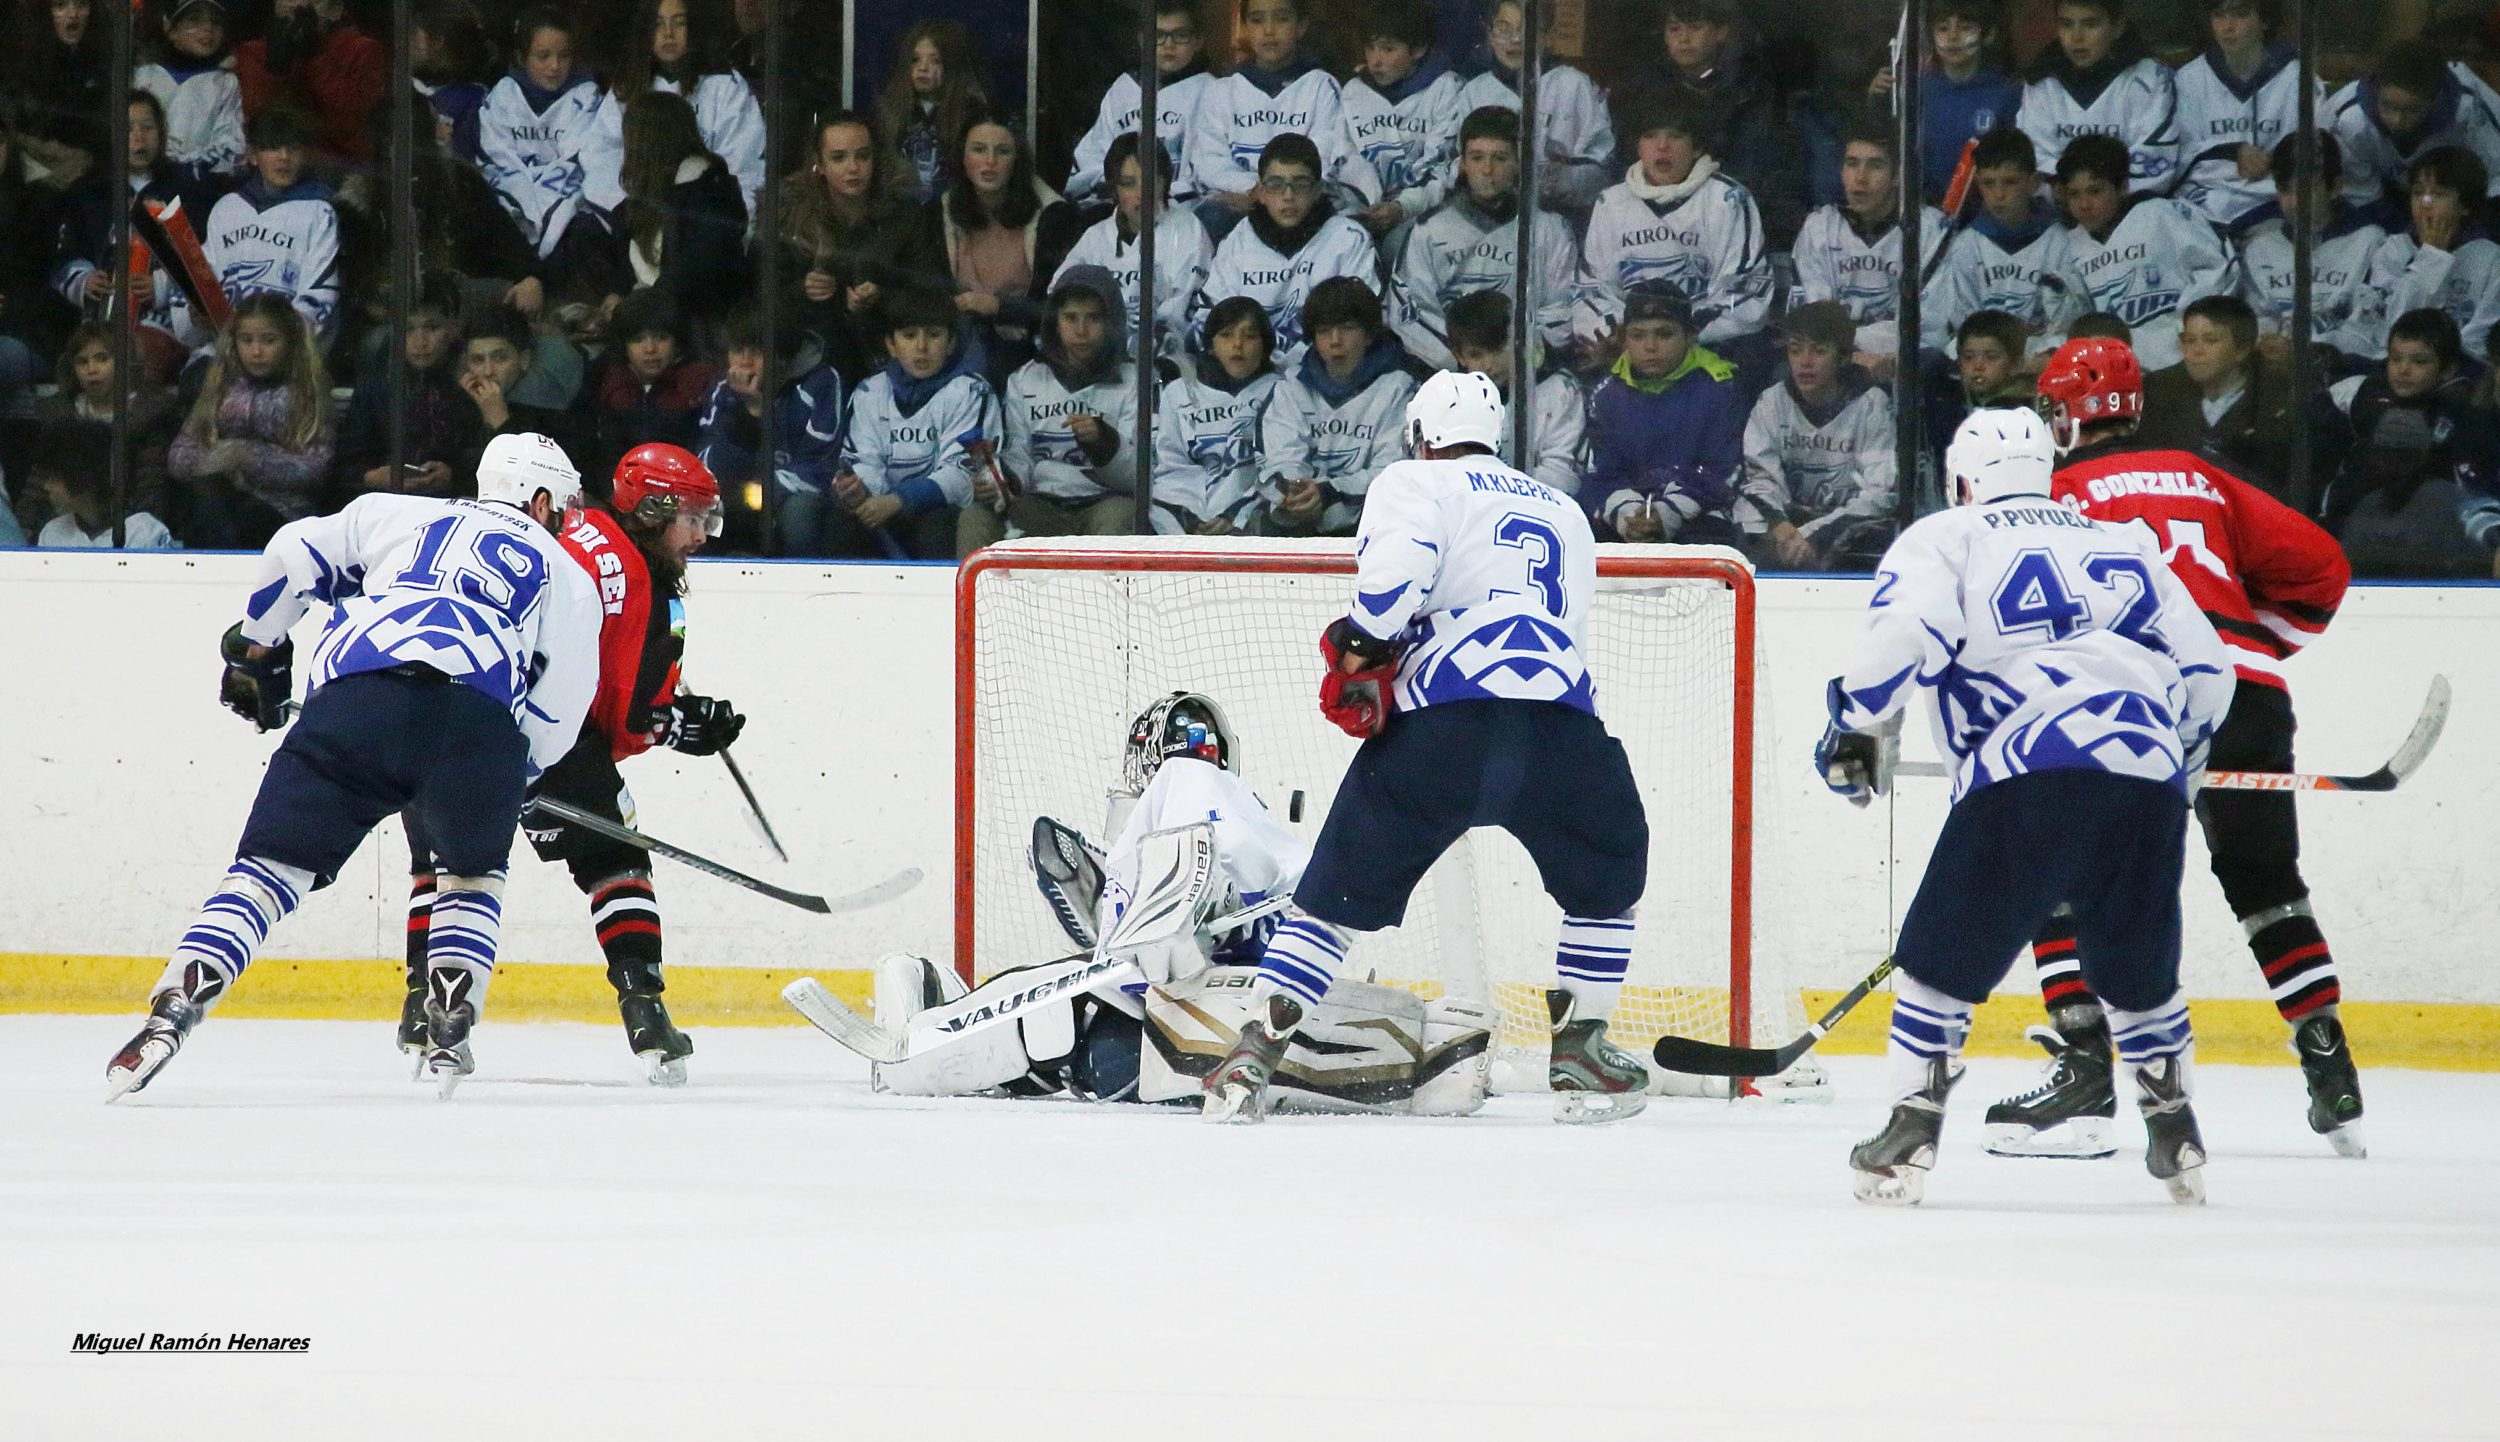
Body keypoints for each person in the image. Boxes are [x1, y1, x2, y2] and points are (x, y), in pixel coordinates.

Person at [1203, 369, 1652, 1125]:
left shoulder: (1413, 481)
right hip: (1561, 729)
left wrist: (1360, 649)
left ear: (1420, 434)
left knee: (1331, 897)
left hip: (1446, 726)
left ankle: (1252, 1054)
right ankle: (1580, 1048)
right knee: (1609, 878)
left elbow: (1388, 592)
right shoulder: (1567, 511)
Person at [106, 431, 600, 1099]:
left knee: (268, 871)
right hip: (476, 724)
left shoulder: (392, 513)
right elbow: (558, 709)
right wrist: (523, 774)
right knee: (470, 875)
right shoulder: (568, 576)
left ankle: (176, 1004)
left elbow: (290, 555)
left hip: (356, 702)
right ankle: (449, 1024)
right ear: (541, 500)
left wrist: (257, 647)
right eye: (563, 509)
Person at [1821, 404, 2233, 1205]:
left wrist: (1851, 723)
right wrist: (2170, 771)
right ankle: (2176, 1132)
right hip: (2146, 775)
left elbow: (1905, 638)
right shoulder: (2124, 543)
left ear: (1963, 479)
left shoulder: (1949, 535)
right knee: (2137, 973)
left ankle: (1910, 1128)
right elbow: (2210, 676)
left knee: (1937, 970)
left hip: (2027, 769)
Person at [1979, 336, 2363, 1161]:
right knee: (2267, 885)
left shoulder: (2058, 493)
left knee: (2060, 870)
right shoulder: (2203, 475)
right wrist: (2253, 648)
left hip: (2135, 702)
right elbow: (2323, 566)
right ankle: (2330, 1062)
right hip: (2249, 697)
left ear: (2065, 415)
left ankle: (2084, 1068)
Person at [851, 693, 1495, 1115]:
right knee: (1073, 1025)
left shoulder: (1185, 781)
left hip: (1165, 1033)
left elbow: (1179, 919)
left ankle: (922, 1025)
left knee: (1058, 1011)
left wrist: (1178, 908)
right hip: (1227, 1038)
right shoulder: (1251, 819)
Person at [406, 443, 736, 1083]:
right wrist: (676, 725)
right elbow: (621, 719)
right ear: (652, 508)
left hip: (436, 708)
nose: (701, 534)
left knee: (444, 862)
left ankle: (423, 1011)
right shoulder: (639, 582)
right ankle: (646, 1011)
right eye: (692, 517)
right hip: (543, 730)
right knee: (615, 859)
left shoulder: (576, 531)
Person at [1572, 98, 1773, 381]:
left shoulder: (1728, 199)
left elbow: (1745, 291)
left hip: (1705, 349)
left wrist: (1678, 336)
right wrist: (1629, 336)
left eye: (1676, 136)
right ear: (1638, 146)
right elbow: (1592, 289)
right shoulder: (1611, 202)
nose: (1662, 147)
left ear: (1698, 147)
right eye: (1650, 136)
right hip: (1629, 347)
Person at [964, 266, 1138, 551]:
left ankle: (1107, 597)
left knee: (1119, 517)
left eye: (1093, 318)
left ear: (1112, 323)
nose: (1081, 330)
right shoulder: (1025, 380)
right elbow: (1020, 455)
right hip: (1040, 505)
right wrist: (1005, 482)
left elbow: (1141, 479)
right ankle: (979, 597)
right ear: (1055, 322)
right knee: (975, 517)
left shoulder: (1136, 380)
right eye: (1070, 318)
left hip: (1106, 502)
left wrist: (1103, 443)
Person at [1393, 104, 1574, 372]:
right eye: (1477, 158)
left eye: (1500, 158)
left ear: (1519, 163)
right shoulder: (1428, 229)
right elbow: (1411, 312)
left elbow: (1559, 311)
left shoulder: (1549, 229)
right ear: (1462, 163)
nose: (1487, 169)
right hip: (1452, 375)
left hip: (1526, 375)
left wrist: (1513, 358)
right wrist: (1466, 361)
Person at [2038, 133, 2241, 372]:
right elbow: (2074, 323)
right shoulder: (2071, 245)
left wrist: (2187, 330)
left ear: (2123, 187)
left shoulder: (2164, 214)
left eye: (2095, 191)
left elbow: (2218, 268)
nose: (2084, 204)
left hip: (2184, 362)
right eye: (2074, 194)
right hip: (2116, 371)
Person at [1606, 0, 1803, 245]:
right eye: (1675, 29)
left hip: (1731, 221)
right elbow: (1626, 161)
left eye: (1695, 27)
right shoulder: (1642, 91)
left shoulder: (1752, 90)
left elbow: (1760, 166)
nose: (1684, 39)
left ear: (1721, 32)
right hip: (1651, 225)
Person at [778, 111, 944, 383]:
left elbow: (927, 287)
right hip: (814, 357)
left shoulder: (903, 215)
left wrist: (882, 294)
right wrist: (804, 289)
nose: (853, 167)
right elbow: (767, 296)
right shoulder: (790, 219)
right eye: (839, 157)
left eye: (863, 156)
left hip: (892, 352)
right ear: (818, 164)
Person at [1193, 132, 1380, 371]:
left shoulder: (1348, 238)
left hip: (1323, 375)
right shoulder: (1237, 241)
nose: (1288, 196)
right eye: (1275, 185)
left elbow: (1362, 325)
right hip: (1251, 374)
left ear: (1318, 189)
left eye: (1300, 184)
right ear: (1260, 191)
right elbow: (1210, 321)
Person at [836, 284, 998, 560]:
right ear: (891, 344)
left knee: (937, 525)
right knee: (841, 524)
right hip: (882, 504)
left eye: (933, 336)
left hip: (939, 512)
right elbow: (861, 460)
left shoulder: (970, 391)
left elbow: (963, 474)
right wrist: (859, 491)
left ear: (950, 343)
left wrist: (898, 501)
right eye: (909, 336)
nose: (921, 347)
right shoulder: (870, 391)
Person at [1185, 0, 1380, 227]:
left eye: (1281, 19)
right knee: (1210, 217)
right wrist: (1252, 188)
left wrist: (1278, 190)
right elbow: (1209, 160)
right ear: (1245, 27)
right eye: (1257, 20)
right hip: (1243, 200)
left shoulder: (1320, 85)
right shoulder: (1222, 89)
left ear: (1301, 26)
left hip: (1300, 200)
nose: (1269, 30)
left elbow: (1327, 155)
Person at [1254, 276, 1423, 536]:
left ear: (1368, 335)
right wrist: (1296, 490)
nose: (1335, 340)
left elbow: (1395, 470)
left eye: (1346, 328)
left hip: (1375, 529)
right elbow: (1280, 458)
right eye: (1323, 331)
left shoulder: (1401, 388)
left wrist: (1331, 492)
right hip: (1301, 525)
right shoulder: (1291, 387)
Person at [1738, 301, 1897, 570]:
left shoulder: (1871, 404)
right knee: (1748, 521)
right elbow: (1758, 477)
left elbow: (1880, 493)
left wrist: (1817, 533)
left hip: (1847, 525)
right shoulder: (1772, 401)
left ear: (1844, 357)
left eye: (1819, 351)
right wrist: (1782, 527)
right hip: (1789, 526)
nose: (1805, 362)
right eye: (1795, 350)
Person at [167, 294, 335, 548]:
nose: (256, 351)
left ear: (290, 342)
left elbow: (316, 468)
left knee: (236, 515)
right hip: (219, 498)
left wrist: (249, 458)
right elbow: (179, 455)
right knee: (205, 500)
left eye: (269, 341)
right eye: (246, 340)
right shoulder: (220, 385)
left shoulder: (306, 391)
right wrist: (216, 460)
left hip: (284, 513)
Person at [1583, 286, 1744, 546]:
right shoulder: (1606, 395)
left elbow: (1725, 471)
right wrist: (1628, 516)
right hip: (1631, 520)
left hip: (1700, 516)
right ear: (1625, 340)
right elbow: (1599, 475)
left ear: (1690, 335)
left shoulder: (1720, 388)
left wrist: (1668, 512)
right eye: (1638, 335)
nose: (1650, 346)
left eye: (1664, 334)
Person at [578, 0, 765, 222]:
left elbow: (743, 167)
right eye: (658, 24)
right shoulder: (630, 84)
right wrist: (632, 211)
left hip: (702, 219)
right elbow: (600, 156)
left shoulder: (724, 84)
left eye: (679, 23)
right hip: (637, 218)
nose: (668, 34)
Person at [1790, 122, 1948, 381]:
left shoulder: (1930, 229)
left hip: (1904, 359)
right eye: (1852, 164)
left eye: (1875, 166)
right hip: (1833, 358)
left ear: (1898, 175)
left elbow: (1930, 327)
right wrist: (1848, 354)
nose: (1860, 178)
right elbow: (1814, 322)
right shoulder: (1819, 227)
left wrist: (1851, 346)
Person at [932, 108, 1081, 382]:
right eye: (978, 149)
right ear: (963, 158)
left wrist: (998, 307)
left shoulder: (1054, 216)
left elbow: (1060, 307)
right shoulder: (939, 212)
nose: (990, 161)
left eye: (1002, 152)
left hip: (1028, 345)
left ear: (1017, 160)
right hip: (956, 341)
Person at [1050, 131, 1212, 365]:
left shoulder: (1189, 230)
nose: (1141, 194)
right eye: (1128, 183)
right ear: (1115, 189)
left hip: (1163, 364)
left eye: (1150, 181)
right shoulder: (1095, 236)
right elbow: (1060, 295)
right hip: (1097, 359)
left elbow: (1179, 316)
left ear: (1165, 181)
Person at [2238, 131, 2389, 381]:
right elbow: (2257, 320)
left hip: (2346, 374)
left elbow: (2370, 331)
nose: (2296, 202)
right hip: (2277, 376)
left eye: (2307, 189)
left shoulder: (2372, 241)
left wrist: (2308, 352)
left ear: (2336, 187)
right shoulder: (2259, 249)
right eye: (2285, 190)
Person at [696, 315, 850, 557]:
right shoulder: (723, 389)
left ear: (781, 356)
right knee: (700, 517)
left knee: (799, 515)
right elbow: (710, 462)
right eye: (738, 351)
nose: (745, 362)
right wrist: (752, 412)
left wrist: (766, 489)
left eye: (756, 352)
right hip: (737, 494)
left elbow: (822, 464)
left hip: (796, 494)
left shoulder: (822, 382)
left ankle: (803, 585)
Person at [1930, 126, 2083, 365]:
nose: (1998, 194)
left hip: (2040, 347)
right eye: (1988, 184)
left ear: (2033, 182)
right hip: (1985, 353)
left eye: (2009, 182)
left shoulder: (2059, 239)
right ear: (1977, 184)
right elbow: (1964, 319)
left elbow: (2067, 317)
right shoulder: (1967, 244)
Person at [603, 88, 751, 328]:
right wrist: (616, 294)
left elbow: (693, 279)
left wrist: (638, 313)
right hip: (649, 322)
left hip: (695, 330)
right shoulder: (634, 206)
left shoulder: (710, 196)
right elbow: (625, 266)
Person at [1455, 0, 1615, 218]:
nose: (1516, 39)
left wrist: (1557, 178)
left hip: (1562, 214)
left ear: (1548, 36)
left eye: (1527, 29)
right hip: (1489, 216)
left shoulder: (1574, 84)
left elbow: (1602, 168)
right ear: (1490, 35)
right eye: (1504, 28)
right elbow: (1457, 162)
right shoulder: (1474, 91)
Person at [478, 8, 609, 274]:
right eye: (543, 56)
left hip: (568, 218)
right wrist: (526, 203)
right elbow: (496, 160)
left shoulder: (586, 96)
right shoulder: (503, 96)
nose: (554, 66)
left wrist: (542, 203)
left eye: (564, 56)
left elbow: (580, 162)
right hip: (511, 215)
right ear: (522, 56)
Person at [2139, 293, 2304, 500]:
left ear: (2242, 349)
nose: (2195, 351)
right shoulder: (2157, 392)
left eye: (2210, 340)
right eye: (2189, 340)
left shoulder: (2281, 402)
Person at [2169, 0, 2314, 232]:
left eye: (2240, 14)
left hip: (2274, 204)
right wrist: (2232, 153)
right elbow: (2182, 155)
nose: (2227, 26)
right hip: (2204, 205)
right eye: (2219, 15)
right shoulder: (2189, 78)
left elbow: (2314, 152)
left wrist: (2273, 163)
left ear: (2264, 21)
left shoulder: (2298, 79)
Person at [203, 107, 341, 350]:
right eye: (273, 147)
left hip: (290, 355)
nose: (284, 157)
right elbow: (205, 281)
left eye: (293, 148)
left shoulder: (321, 211)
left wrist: (273, 343)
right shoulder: (227, 208)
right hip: (228, 348)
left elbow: (320, 299)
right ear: (253, 155)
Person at [2014, 0, 2179, 195]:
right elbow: (2034, 159)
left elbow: (2155, 163)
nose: (2076, 37)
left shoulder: (2152, 78)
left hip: (2133, 210)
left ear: (2118, 27)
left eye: (2090, 24)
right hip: (2056, 211)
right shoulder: (2040, 81)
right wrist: (2077, 198)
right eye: (2067, 24)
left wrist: (2098, 199)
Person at [333, 277, 476, 501]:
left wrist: (453, 475)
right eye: (408, 329)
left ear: (451, 329)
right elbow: (343, 465)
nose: (420, 341)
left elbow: (480, 461)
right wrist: (373, 477)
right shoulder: (376, 389)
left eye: (431, 327)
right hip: (385, 503)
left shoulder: (466, 387)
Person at [1869, 0, 2022, 206]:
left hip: (1988, 212)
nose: (1952, 37)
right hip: (1924, 214)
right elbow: (1889, 143)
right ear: (1930, 35)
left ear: (1988, 34)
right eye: (1942, 28)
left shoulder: (2006, 93)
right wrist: (1877, 98)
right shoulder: (1914, 88)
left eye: (1965, 28)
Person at [1064, 0, 1212, 211]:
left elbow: (1205, 170)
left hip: (1180, 212)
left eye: (1180, 35)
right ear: (1143, 39)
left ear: (1198, 41)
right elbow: (1092, 155)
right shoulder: (1123, 89)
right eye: (1158, 35)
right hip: (1118, 207)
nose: (1168, 45)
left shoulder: (1210, 91)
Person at [2323, 38, 2500, 213]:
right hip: (2378, 204)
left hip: (2457, 200)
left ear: (2435, 100)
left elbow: (2496, 179)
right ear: (2376, 90)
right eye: (2388, 105)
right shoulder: (2350, 120)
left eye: (2412, 110)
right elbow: (2362, 200)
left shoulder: (2469, 107)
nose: (2397, 120)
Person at [1149, 295, 1278, 534]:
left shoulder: (1281, 391)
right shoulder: (1179, 393)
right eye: (1226, 335)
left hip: (1253, 518)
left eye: (1249, 336)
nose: (1237, 344)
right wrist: (1190, 516)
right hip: (1188, 519)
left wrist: (1237, 513)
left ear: (1265, 345)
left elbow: (1280, 468)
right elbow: (1173, 468)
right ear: (1210, 344)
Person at [1341, 1, 1465, 245]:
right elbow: (1342, 157)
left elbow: (1442, 167)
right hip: (1364, 210)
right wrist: (1365, 203)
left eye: (1388, 49)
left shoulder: (1446, 89)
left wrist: (1402, 207)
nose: (1375, 61)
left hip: (1420, 213)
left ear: (1417, 49)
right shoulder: (1354, 91)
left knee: (1402, 243)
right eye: (1370, 48)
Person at [2365, 145, 2500, 365]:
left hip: (2460, 370)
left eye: (2438, 194)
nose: (2425, 203)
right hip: (2397, 366)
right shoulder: (2392, 250)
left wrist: (2436, 364)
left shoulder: (2492, 259)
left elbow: (2481, 337)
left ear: (2465, 206)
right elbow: (2394, 324)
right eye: (2418, 193)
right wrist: (2432, 256)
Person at [1444, 289, 1584, 497]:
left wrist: (1494, 489)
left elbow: (1563, 479)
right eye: (1476, 355)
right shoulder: (1447, 399)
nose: (1488, 364)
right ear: (1459, 356)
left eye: (1498, 350)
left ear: (1519, 341)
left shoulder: (1559, 390)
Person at [233, 0, 386, 170]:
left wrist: (315, 59)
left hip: (339, 166)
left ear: (335, 9)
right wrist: (275, 71)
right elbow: (256, 122)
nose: (295, 6)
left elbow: (351, 123)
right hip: (271, 168)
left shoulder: (362, 49)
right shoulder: (253, 52)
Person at [456, 302, 596, 479]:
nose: (488, 371)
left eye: (500, 358)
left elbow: (536, 480)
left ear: (524, 360)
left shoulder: (552, 410)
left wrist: (500, 421)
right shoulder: (459, 402)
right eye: (477, 360)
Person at [591, 290, 720, 463]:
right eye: (638, 340)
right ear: (624, 346)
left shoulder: (700, 385)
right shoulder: (610, 385)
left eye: (661, 338)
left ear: (677, 342)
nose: (650, 349)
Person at [135, 0, 246, 189]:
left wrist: (180, 167)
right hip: (140, 182)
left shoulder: (225, 83)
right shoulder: (143, 75)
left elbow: (231, 148)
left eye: (215, 22)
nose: (207, 29)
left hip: (194, 188)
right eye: (194, 20)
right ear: (171, 29)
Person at [877, 18, 989, 206]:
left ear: (952, 65)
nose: (923, 68)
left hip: (956, 212)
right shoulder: (891, 111)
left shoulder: (972, 114)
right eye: (915, 60)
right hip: (902, 216)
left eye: (935, 60)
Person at [29, 425, 178, 549]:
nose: (46, 486)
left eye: (55, 478)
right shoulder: (52, 532)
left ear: (84, 478)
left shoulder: (144, 532)